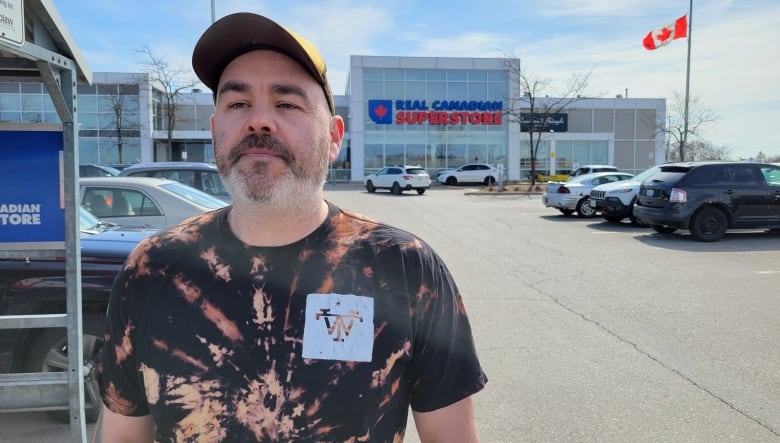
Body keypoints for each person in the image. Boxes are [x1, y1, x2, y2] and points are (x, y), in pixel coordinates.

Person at [96, 12, 487, 442]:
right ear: (215, 131)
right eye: (237, 103)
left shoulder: (406, 268)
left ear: (335, 137)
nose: (258, 121)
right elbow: (121, 434)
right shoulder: (153, 270)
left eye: (286, 103)